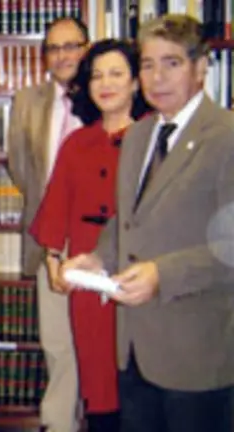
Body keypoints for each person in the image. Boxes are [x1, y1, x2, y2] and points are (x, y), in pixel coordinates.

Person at [62, 14, 234, 432]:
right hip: (134, 346)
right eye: (148, 64)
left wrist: (163, 274)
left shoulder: (226, 135)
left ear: (200, 68)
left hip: (196, 352)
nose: (157, 77)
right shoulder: (139, 135)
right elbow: (133, 216)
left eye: (172, 63)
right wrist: (99, 259)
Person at [28, 39, 152, 432]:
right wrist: (51, 261)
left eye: (117, 73)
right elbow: (55, 209)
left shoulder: (154, 141)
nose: (105, 83)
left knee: (137, 381)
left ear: (136, 82)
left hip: (138, 276)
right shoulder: (77, 143)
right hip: (85, 275)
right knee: (95, 378)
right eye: (97, 75)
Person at [6, 16, 89, 432]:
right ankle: (60, 424)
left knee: (103, 342)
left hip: (101, 239)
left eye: (72, 46)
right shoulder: (27, 100)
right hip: (50, 235)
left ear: (87, 49)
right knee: (57, 342)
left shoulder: (106, 92)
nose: (63, 56)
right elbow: (21, 168)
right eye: (54, 49)